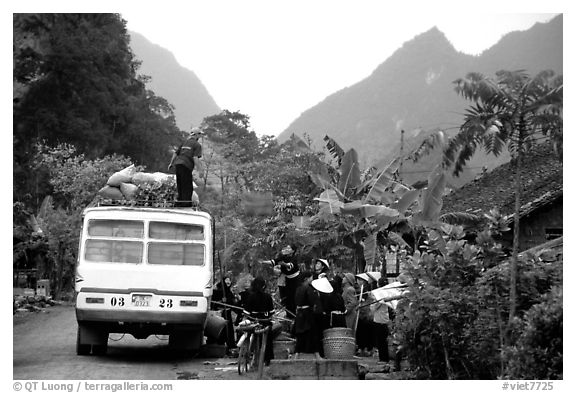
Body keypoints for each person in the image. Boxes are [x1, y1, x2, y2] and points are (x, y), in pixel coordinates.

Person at [168, 127, 204, 207]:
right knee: (187, 186)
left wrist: (171, 163)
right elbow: (195, 158)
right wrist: (200, 170)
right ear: (196, 135)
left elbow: (175, 153)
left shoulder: (184, 142)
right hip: (186, 166)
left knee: (180, 184)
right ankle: (186, 204)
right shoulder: (197, 145)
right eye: (199, 135)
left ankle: (180, 202)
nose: (200, 137)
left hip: (178, 165)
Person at [243, 276, 275, 365]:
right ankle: (267, 359)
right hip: (265, 322)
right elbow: (272, 312)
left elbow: (246, 313)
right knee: (268, 338)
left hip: (253, 321)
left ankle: (250, 353)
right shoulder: (268, 297)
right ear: (264, 286)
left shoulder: (251, 296)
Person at [263, 244, 300, 317]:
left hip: (295, 280)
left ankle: (295, 314)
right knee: (288, 298)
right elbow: (274, 261)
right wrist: (263, 262)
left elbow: (290, 265)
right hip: (288, 280)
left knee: (293, 297)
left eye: (289, 248)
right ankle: (289, 315)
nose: (287, 249)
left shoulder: (294, 258)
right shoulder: (283, 257)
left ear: (293, 251)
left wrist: (284, 264)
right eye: (287, 247)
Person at [370, 278, 391, 363]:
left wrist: (371, 303)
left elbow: (374, 306)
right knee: (383, 341)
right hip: (384, 318)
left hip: (380, 320)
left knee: (381, 341)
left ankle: (383, 359)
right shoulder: (386, 292)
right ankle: (384, 358)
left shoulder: (380, 294)